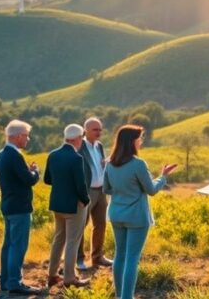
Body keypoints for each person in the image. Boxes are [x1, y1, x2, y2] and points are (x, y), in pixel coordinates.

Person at [103, 125, 176, 299]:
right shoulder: (138, 164)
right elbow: (151, 189)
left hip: (116, 214)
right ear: (132, 141)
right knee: (132, 259)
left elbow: (106, 189)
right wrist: (163, 176)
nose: (141, 141)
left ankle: (121, 296)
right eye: (139, 138)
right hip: (136, 216)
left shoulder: (110, 163)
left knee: (119, 255)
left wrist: (123, 192)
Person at [0, 120, 43, 295]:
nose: (27, 139)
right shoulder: (15, 156)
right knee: (18, 246)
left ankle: (6, 282)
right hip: (20, 207)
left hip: (8, 205)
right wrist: (35, 171)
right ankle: (15, 283)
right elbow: (29, 180)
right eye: (26, 135)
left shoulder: (1, 155)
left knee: (8, 245)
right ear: (16, 136)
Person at [44, 124, 92, 289]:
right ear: (78, 138)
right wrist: (86, 201)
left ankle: (52, 275)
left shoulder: (53, 155)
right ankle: (70, 278)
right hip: (74, 206)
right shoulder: (76, 158)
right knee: (72, 241)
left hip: (57, 204)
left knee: (58, 239)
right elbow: (81, 185)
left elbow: (47, 180)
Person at [77, 117, 112, 271]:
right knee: (80, 225)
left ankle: (97, 257)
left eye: (100, 129)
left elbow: (99, 165)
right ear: (86, 131)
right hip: (87, 191)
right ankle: (78, 259)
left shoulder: (99, 146)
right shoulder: (79, 146)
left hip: (101, 190)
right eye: (95, 129)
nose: (99, 132)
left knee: (100, 224)